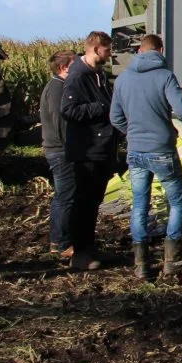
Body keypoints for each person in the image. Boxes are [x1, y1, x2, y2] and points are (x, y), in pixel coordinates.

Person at [110, 34, 182, 279]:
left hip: (136, 150)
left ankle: (141, 265)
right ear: (161, 49)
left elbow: (115, 118)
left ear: (139, 50)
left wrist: (133, 133)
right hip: (162, 149)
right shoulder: (165, 76)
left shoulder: (123, 79)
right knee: (176, 202)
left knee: (139, 204)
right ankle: (170, 262)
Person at [61, 31, 117, 271]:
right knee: (83, 202)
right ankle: (80, 251)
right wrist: (101, 108)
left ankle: (88, 246)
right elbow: (69, 110)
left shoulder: (98, 76)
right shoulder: (78, 77)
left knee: (93, 202)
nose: (110, 54)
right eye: (107, 50)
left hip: (101, 147)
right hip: (87, 149)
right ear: (95, 49)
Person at [41, 50, 76, 257]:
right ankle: (62, 243)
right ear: (63, 69)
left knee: (62, 197)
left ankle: (58, 241)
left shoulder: (58, 86)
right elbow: (60, 122)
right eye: (74, 65)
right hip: (61, 151)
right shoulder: (56, 90)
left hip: (59, 149)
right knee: (65, 197)